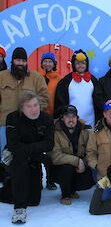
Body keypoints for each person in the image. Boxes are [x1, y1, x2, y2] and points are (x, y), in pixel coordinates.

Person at [5, 90, 54, 223]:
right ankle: (19, 208)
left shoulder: (46, 118)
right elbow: (13, 146)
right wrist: (37, 147)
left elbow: (49, 144)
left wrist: (31, 150)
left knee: (34, 200)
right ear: (22, 108)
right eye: (29, 106)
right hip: (16, 157)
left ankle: (10, 188)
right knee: (20, 164)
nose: (34, 109)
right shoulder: (12, 118)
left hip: (35, 157)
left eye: (36, 105)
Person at [0, 47, 49, 158]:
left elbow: (44, 97)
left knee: (24, 158)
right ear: (12, 61)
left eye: (23, 61)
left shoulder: (36, 78)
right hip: (5, 126)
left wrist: (33, 112)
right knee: (4, 158)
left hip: (29, 126)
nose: (21, 63)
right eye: (18, 60)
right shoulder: (1, 77)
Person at [50, 105, 95, 205]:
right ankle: (65, 194)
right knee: (66, 168)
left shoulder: (86, 130)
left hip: (80, 165)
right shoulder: (55, 131)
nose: (71, 120)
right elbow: (55, 156)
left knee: (90, 178)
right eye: (68, 117)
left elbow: (91, 151)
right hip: (60, 167)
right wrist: (76, 161)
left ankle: (73, 189)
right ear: (62, 118)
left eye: (73, 117)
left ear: (77, 118)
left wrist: (84, 162)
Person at [54, 49, 101, 126]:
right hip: (71, 124)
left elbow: (99, 100)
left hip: (91, 123)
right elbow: (60, 102)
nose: (81, 65)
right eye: (77, 63)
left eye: (83, 63)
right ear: (73, 64)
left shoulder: (94, 81)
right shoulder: (65, 81)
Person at [38, 52, 62, 190]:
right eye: (45, 61)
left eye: (50, 61)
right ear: (42, 63)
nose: (47, 64)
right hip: (38, 118)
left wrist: (58, 117)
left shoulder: (59, 79)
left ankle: (50, 180)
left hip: (53, 118)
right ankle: (39, 178)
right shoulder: (36, 77)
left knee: (51, 150)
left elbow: (60, 99)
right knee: (38, 151)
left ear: (54, 64)